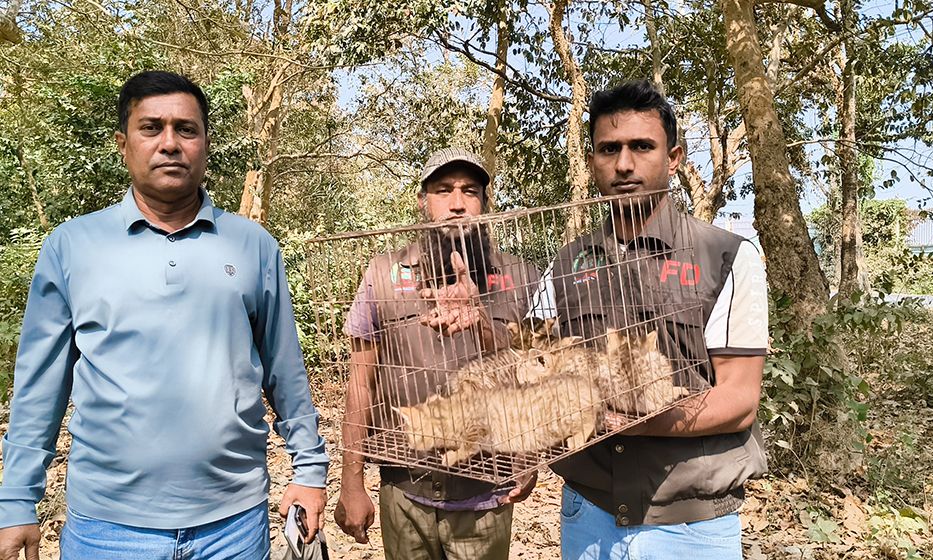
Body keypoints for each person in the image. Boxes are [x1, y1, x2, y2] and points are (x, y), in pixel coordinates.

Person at [0, 71, 329, 560]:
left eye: (186, 129)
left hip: (233, 524)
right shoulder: (72, 246)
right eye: (151, 128)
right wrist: (16, 501)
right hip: (107, 530)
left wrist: (309, 471)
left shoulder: (253, 245)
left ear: (206, 143)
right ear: (123, 143)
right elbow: (39, 387)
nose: (170, 143)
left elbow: (285, 371)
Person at [530, 80, 769, 559]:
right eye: (608, 149)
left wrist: (634, 422)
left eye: (642, 146)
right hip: (587, 511)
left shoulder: (726, 257)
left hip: (689, 525)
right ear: (592, 160)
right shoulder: (567, 264)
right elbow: (531, 364)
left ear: (674, 157)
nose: (623, 164)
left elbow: (740, 398)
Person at [333, 148, 539, 560]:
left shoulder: (520, 277)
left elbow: (534, 374)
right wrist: (351, 482)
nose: (457, 203)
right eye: (443, 190)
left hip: (487, 495)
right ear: (423, 202)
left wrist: (531, 455)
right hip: (405, 492)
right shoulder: (384, 275)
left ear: (485, 203)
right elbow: (361, 381)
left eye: (470, 191)